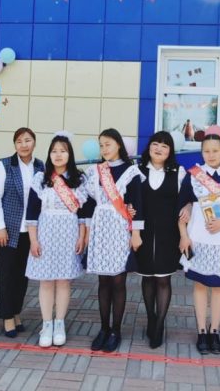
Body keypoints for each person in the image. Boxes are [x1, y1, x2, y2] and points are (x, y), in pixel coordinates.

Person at [177, 132, 220, 355]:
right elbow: (181, 207)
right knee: (200, 285)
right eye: (206, 151)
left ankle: (214, 331)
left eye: (215, 150)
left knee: (219, 286)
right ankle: (201, 331)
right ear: (202, 152)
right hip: (199, 238)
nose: (211, 154)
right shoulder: (193, 176)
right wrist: (184, 235)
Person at [25, 133, 90, 348]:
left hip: (69, 234)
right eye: (54, 151)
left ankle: (59, 323)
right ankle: (46, 324)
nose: (58, 155)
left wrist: (81, 236)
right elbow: (32, 213)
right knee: (46, 281)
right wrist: (33, 240)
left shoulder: (79, 179)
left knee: (63, 281)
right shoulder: (40, 179)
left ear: (70, 154)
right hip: (45, 233)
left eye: (63, 151)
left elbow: (82, 213)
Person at [83, 128, 143, 353]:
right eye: (101, 145)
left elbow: (138, 204)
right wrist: (88, 232)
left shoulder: (131, 171)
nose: (104, 149)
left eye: (108, 144)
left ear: (119, 145)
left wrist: (136, 234)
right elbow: (89, 204)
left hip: (120, 228)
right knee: (103, 281)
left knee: (118, 281)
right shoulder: (96, 171)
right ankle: (104, 328)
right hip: (100, 227)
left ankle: (116, 330)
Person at [132, 131, 185, 349]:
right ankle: (151, 318)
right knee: (147, 278)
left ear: (170, 151)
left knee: (163, 279)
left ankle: (160, 324)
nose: (159, 149)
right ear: (149, 147)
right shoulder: (137, 170)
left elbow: (185, 202)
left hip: (168, 234)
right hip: (142, 233)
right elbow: (130, 202)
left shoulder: (178, 172)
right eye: (155, 144)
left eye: (164, 146)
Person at [0, 127, 43, 338]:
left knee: (22, 275)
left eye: (27, 140)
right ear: (15, 145)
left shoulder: (40, 166)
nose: (23, 145)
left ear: (34, 143)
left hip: (30, 231)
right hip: (9, 230)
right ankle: (7, 317)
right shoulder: (4, 165)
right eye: (19, 141)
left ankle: (16, 312)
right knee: (6, 275)